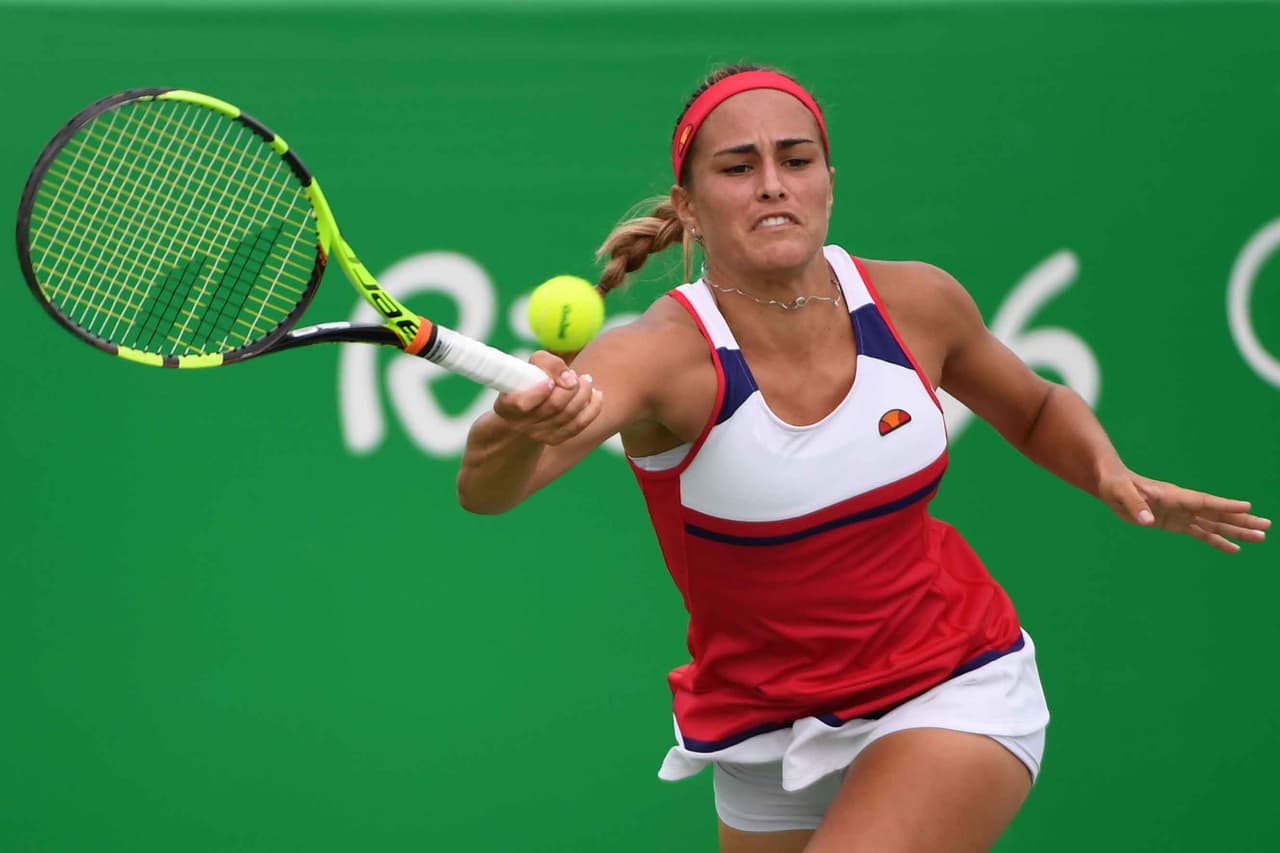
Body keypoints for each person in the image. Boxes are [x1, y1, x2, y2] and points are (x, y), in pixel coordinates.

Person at [456, 65, 1270, 852]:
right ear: (689, 208)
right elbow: (489, 490)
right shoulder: (660, 356)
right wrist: (515, 423)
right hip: (764, 721)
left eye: (795, 159)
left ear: (828, 183)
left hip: (951, 679)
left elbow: (1035, 404)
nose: (773, 183)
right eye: (739, 167)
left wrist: (1107, 472)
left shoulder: (916, 302)